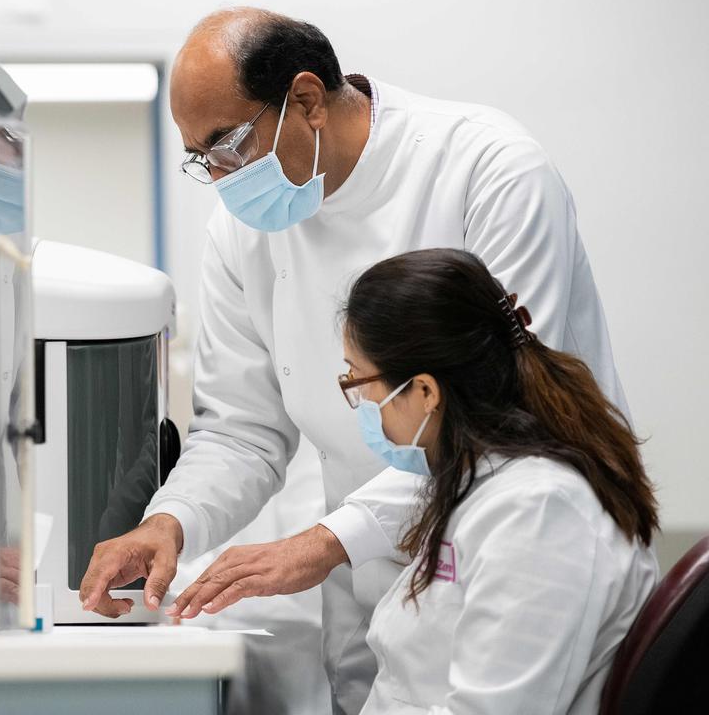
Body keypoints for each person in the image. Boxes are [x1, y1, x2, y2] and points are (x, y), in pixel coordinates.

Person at [79, 8, 631, 714]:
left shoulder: (487, 169)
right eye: (199, 160)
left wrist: (329, 539)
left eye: (228, 147)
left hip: (506, 556)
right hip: (382, 585)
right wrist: (171, 521)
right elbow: (242, 431)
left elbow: (506, 415)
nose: (219, 179)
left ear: (306, 100)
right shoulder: (242, 233)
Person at [171, 248, 660, 713]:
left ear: (425, 391)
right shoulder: (479, 491)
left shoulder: (539, 513)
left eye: (358, 383)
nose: (358, 404)